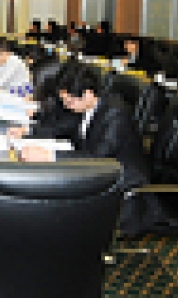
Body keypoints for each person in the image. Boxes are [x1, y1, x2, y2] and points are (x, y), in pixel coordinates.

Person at [16, 67, 161, 235]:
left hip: (122, 191)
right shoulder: (91, 107)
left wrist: (50, 156)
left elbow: (97, 158)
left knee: (53, 202)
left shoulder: (116, 116)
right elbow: (65, 128)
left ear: (88, 94)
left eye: (70, 102)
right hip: (101, 176)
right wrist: (30, 132)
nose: (66, 106)